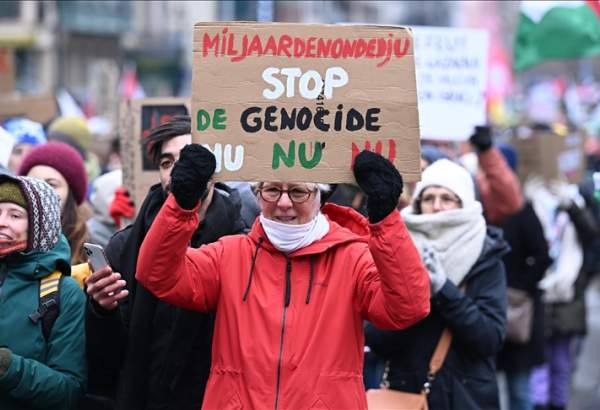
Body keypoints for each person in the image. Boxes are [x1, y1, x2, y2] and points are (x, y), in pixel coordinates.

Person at [134, 144, 430, 409]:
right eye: (272, 190)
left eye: (298, 191)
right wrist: (182, 204)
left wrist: (385, 217)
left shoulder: (352, 258)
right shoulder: (229, 254)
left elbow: (408, 307)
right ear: (257, 193)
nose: (284, 203)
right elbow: (156, 274)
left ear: (319, 196)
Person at [84, 115, 248, 410]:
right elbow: (107, 357)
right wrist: (101, 309)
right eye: (166, 163)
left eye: (188, 160)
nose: (177, 172)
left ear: (212, 170)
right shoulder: (125, 246)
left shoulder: (241, 243)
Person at [365, 158, 509, 410]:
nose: (437, 206)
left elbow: (489, 338)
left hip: (464, 397)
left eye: (447, 198)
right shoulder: (396, 247)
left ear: (462, 202)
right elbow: (375, 337)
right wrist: (410, 295)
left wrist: (444, 290)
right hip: (406, 393)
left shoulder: (485, 255)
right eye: (428, 198)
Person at [0, 174, 86, 410]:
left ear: (41, 226)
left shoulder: (62, 292)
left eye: (15, 215)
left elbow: (69, 391)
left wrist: (7, 366)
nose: (2, 221)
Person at [495, 143, 552, 410]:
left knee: (519, 389)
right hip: (489, 311)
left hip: (519, 315)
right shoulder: (482, 205)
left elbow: (542, 255)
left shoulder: (523, 210)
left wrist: (518, 290)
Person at [18, 141, 90, 264]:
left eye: (51, 184)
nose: (40, 191)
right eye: (32, 182)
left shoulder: (88, 253)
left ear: (70, 195)